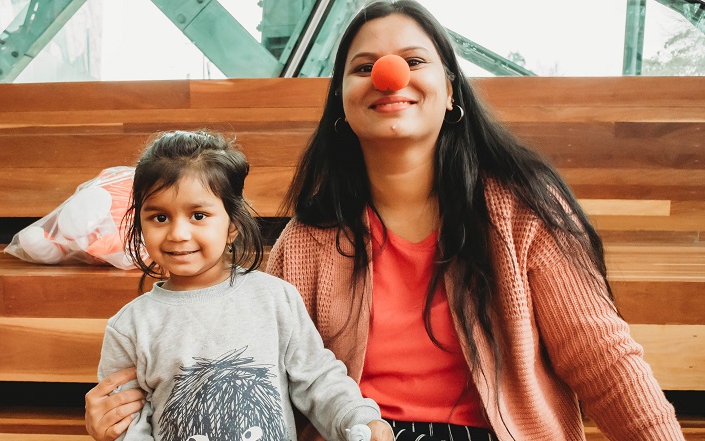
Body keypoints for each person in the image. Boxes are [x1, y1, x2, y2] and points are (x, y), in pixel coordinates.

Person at [86, 2, 685, 441]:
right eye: (363, 65)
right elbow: (249, 371)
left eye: (413, 60)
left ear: (451, 91)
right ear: (343, 106)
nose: (388, 75)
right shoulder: (306, 242)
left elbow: (604, 360)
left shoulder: (521, 212)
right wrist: (116, 416)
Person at [93, 130, 392, 441]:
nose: (178, 233)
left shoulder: (275, 298)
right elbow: (126, 424)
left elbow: (317, 378)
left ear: (232, 226)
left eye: (198, 215)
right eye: (159, 217)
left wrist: (359, 419)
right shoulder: (128, 328)